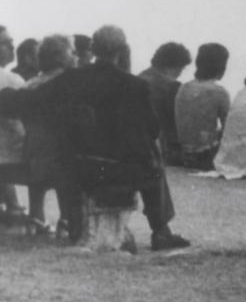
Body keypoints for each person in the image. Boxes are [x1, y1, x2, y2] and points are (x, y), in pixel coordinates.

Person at [0, 26, 190, 249]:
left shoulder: (71, 79)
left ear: (93, 49)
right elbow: (152, 128)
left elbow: (24, 101)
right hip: (121, 170)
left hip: (77, 166)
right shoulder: (134, 85)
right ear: (122, 51)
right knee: (151, 150)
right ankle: (160, 229)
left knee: (145, 149)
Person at [21, 34, 80, 235]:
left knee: (39, 176)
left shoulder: (30, 84)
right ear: (62, 56)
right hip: (62, 153)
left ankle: (36, 218)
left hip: (34, 151)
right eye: (73, 52)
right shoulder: (70, 84)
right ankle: (66, 218)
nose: (76, 56)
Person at [174, 43, 230, 170]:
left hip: (182, 153)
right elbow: (229, 128)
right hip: (206, 156)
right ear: (222, 66)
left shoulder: (184, 87)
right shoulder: (219, 92)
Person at [137, 42, 192, 166]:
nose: (181, 73)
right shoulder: (172, 86)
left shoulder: (138, 79)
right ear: (172, 66)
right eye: (181, 68)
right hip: (163, 148)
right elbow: (177, 123)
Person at [0, 25, 26, 219]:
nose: (12, 47)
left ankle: (12, 203)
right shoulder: (11, 79)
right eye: (7, 43)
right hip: (12, 155)